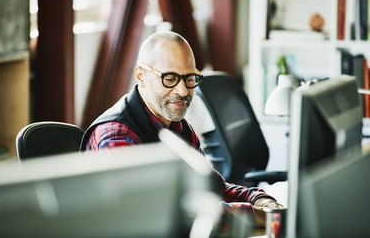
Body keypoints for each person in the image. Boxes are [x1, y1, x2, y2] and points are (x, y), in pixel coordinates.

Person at [80, 31, 283, 227]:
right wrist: (249, 214)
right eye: (169, 78)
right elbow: (155, 213)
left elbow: (213, 188)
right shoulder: (116, 134)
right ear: (140, 75)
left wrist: (259, 200)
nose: (183, 91)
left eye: (189, 78)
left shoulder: (178, 127)